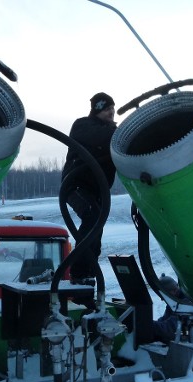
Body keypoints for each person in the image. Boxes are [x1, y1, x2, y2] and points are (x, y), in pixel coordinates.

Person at [61, 92, 117, 285]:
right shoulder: (82, 126)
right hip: (75, 184)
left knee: (97, 227)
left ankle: (89, 273)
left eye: (112, 108)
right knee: (92, 215)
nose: (112, 112)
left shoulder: (112, 132)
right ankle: (79, 272)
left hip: (97, 191)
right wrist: (119, 132)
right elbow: (101, 137)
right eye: (107, 108)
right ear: (97, 109)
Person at [152, 274, 184, 344]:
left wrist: (149, 324)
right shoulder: (175, 301)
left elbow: (170, 328)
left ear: (175, 290)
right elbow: (164, 319)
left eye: (164, 295)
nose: (162, 299)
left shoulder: (184, 305)